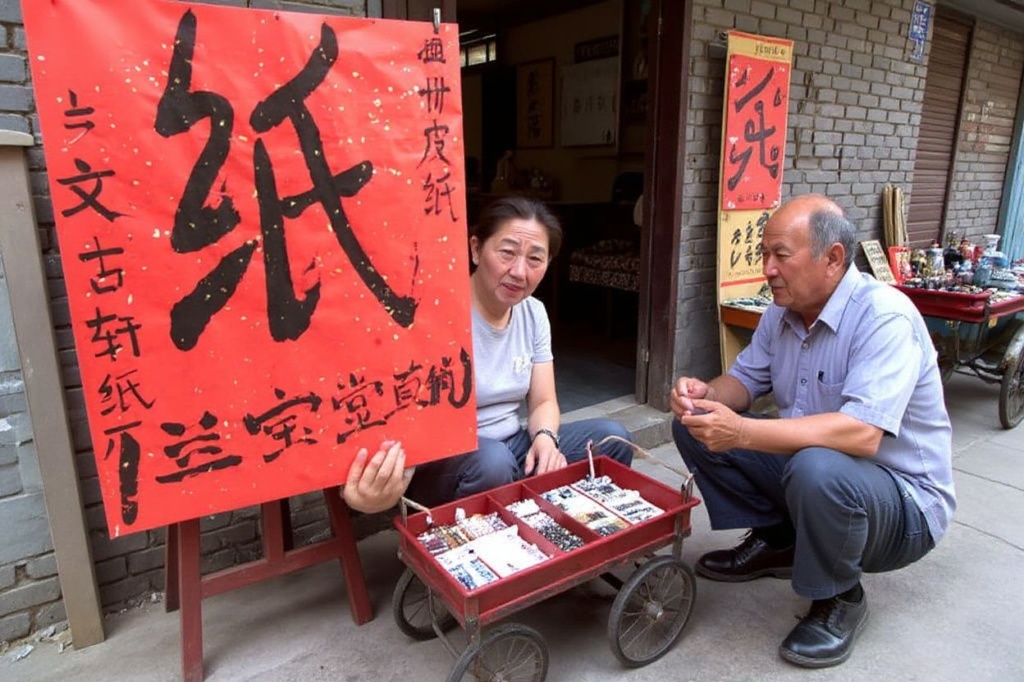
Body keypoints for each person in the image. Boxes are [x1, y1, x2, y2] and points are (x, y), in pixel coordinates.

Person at [670, 194, 955, 668]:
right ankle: (781, 541)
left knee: (817, 466)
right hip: (825, 475)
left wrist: (740, 432)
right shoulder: (781, 314)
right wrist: (705, 398)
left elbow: (862, 435)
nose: (768, 268)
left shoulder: (884, 316)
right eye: (764, 254)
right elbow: (742, 381)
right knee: (695, 428)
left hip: (904, 505)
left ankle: (840, 598)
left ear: (833, 259)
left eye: (780, 254)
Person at [405, 195, 634, 507]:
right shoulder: (437, 313)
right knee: (493, 464)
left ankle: (551, 530)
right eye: (507, 253)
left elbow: (543, 401)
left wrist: (544, 438)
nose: (519, 272)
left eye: (535, 259)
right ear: (475, 248)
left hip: (511, 446)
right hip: (448, 462)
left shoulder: (534, 313)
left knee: (613, 439)